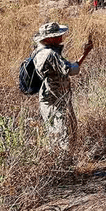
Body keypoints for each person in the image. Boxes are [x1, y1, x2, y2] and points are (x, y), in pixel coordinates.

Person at [31, 22, 93, 150]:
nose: (61, 38)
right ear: (49, 39)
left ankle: (56, 157)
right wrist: (85, 53)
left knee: (53, 129)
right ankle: (65, 160)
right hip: (56, 96)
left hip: (48, 95)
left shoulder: (38, 51)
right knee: (64, 130)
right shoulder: (51, 54)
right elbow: (72, 70)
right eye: (58, 36)